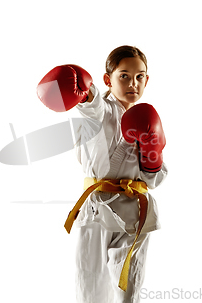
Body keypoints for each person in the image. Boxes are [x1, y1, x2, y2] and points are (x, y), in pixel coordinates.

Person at [37, 45, 168, 303]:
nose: (133, 83)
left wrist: (153, 153)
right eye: (124, 75)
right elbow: (92, 106)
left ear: (147, 79)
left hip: (133, 212)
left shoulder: (146, 119)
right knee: (91, 286)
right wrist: (85, 94)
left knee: (128, 288)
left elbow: (154, 179)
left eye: (140, 76)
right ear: (108, 79)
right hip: (97, 210)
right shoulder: (102, 111)